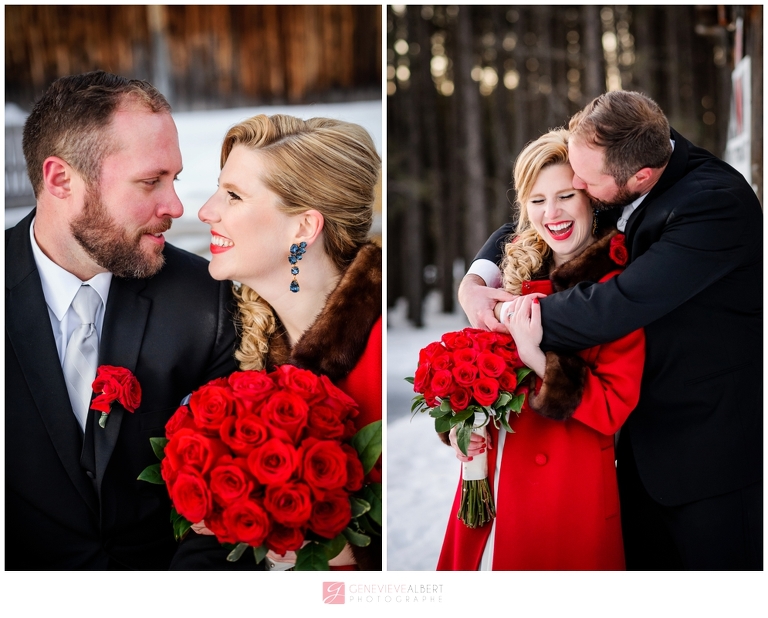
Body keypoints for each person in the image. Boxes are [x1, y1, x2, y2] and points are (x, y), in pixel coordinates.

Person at [459, 91, 762, 570]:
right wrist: (477, 279)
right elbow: (534, 216)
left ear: (638, 178)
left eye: (584, 182)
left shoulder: (713, 205)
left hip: (709, 459)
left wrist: (512, 322)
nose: (576, 185)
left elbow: (617, 304)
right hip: (634, 460)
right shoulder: (621, 168)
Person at [5, 71, 238, 569]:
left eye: (173, 179)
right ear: (61, 179)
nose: (176, 206)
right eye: (151, 181)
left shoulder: (205, 297)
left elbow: (225, 506)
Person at [169, 113, 382, 570]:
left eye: (233, 196)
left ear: (304, 228)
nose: (205, 211)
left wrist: (338, 547)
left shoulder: (379, 355)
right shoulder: (242, 352)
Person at [437, 129, 644, 570]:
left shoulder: (616, 287)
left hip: (569, 498)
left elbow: (612, 408)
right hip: (491, 491)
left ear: (590, 197)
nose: (552, 213)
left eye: (566, 195)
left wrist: (537, 357)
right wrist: (460, 427)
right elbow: (476, 382)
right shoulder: (507, 277)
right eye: (536, 200)